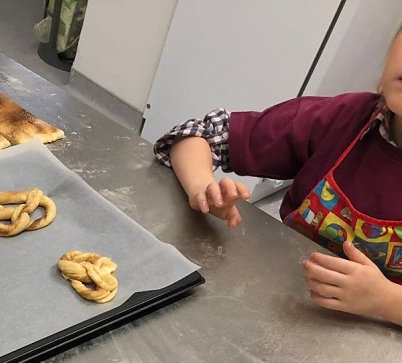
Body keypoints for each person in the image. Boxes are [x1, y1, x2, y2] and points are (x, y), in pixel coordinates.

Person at [154, 24, 402, 328]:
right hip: (277, 310)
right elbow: (198, 135)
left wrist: (386, 300)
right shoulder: (342, 120)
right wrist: (202, 188)